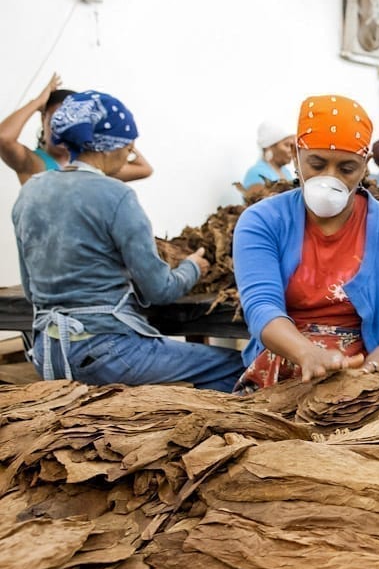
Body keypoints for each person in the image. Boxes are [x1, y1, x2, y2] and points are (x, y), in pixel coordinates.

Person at [12, 90, 243, 390]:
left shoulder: (30, 192)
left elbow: (31, 292)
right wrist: (192, 267)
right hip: (104, 353)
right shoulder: (116, 195)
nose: (131, 152)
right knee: (235, 367)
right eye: (128, 145)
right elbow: (160, 289)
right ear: (109, 147)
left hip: (47, 352)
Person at [232, 95, 379, 391]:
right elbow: (262, 308)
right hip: (283, 374)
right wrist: (307, 353)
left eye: (347, 168)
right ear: (297, 155)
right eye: (317, 164)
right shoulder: (263, 223)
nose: (329, 178)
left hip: (369, 380)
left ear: (365, 166)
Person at [1, 73, 153, 185]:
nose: (63, 129)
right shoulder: (33, 162)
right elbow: (3, 138)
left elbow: (144, 169)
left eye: (72, 123)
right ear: (43, 119)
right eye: (57, 121)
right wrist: (37, 102)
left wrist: (111, 134)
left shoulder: (91, 164)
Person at [242, 121, 295, 187]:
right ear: (269, 147)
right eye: (287, 145)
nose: (292, 150)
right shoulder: (256, 174)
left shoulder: (286, 172)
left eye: (292, 146)